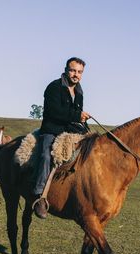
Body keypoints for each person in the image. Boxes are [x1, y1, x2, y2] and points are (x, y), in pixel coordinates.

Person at [33, 57, 90, 219]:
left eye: (79, 72)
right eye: (73, 70)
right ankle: (39, 196)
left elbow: (75, 117)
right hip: (52, 130)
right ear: (66, 70)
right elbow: (53, 112)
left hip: (70, 131)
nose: (76, 75)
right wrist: (77, 115)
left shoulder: (79, 91)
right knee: (45, 155)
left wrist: (82, 124)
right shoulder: (54, 87)